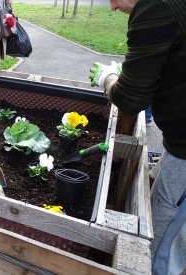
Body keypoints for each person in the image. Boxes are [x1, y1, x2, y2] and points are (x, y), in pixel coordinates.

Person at [89, 0, 186, 274]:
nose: (112, 7)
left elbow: (130, 99)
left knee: (167, 223)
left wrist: (108, 79)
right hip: (179, 140)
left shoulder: (157, 7)